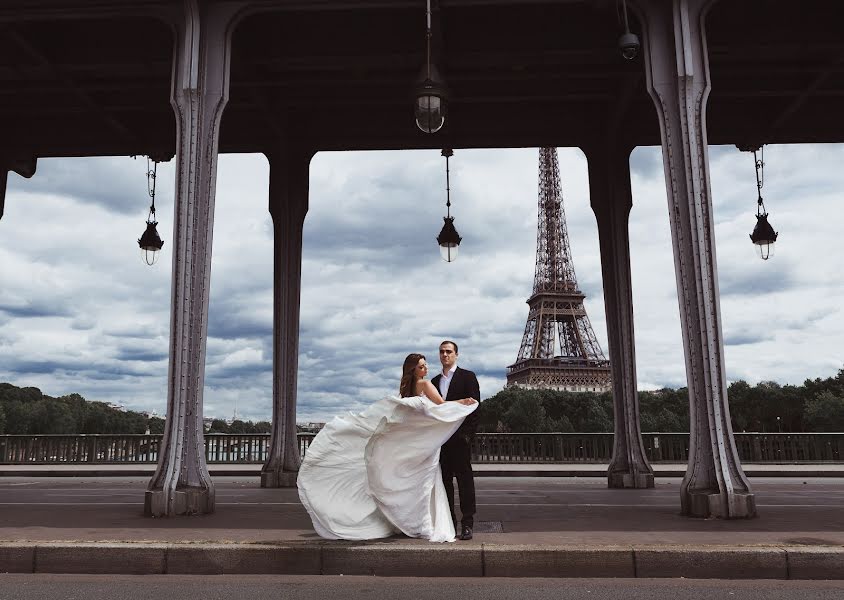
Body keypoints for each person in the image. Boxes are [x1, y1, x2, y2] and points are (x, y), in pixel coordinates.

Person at [297, 353, 478, 543]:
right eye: (422, 366)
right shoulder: (425, 384)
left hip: (414, 444)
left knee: (418, 485)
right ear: (413, 369)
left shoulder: (407, 388)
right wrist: (463, 402)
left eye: (425, 366)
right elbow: (441, 406)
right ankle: (423, 523)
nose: (426, 369)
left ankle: (417, 522)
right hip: (422, 445)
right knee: (423, 485)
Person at [431, 340, 480, 541]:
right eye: (442, 352)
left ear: (456, 355)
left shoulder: (467, 377)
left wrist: (466, 437)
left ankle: (467, 523)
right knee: (445, 484)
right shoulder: (434, 381)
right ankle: (449, 522)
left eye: (449, 351)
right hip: (440, 442)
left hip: (459, 440)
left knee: (464, 482)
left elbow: (476, 407)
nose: (445, 355)